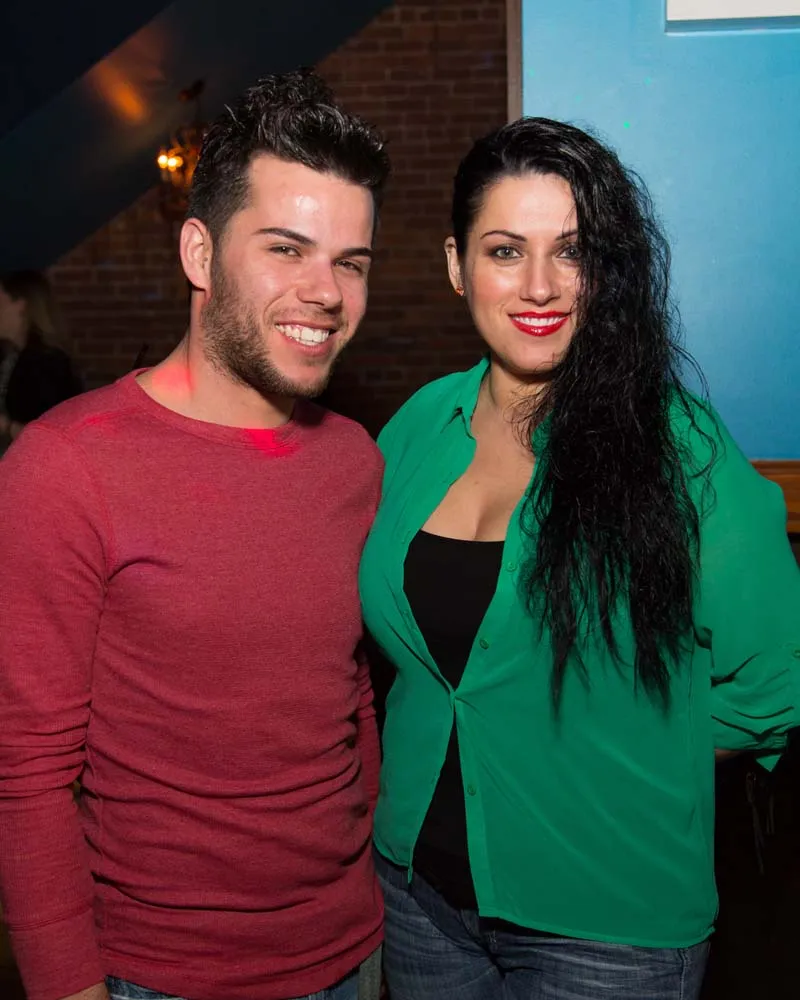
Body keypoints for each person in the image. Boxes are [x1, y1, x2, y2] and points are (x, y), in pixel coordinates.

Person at [359, 117, 800, 1000]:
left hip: (607, 925)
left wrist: (629, 747)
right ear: (456, 265)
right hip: (416, 900)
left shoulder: (681, 449)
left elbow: (773, 685)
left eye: (573, 251)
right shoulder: (416, 427)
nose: (541, 286)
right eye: (504, 251)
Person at [0, 70, 389, 1000]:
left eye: (351, 262)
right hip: (161, 975)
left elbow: (347, 697)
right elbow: (27, 774)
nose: (325, 292)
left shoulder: (354, 460)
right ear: (200, 253)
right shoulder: (64, 467)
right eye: (287, 249)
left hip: (354, 950)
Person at [0, 269, 82, 449]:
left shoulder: (46, 364)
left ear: (21, 305)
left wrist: (6, 426)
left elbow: (54, 434)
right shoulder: (10, 355)